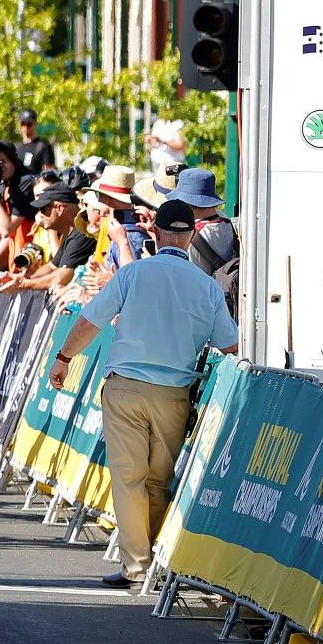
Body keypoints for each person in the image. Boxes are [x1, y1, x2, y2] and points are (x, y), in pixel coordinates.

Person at [47, 198, 236, 589]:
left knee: (128, 477)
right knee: (158, 479)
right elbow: (230, 347)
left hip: (127, 387)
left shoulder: (134, 275)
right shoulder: (208, 287)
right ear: (192, 234)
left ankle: (137, 565)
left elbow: (91, 319)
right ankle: (153, 558)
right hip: (174, 393)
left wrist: (64, 356)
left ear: (156, 231)